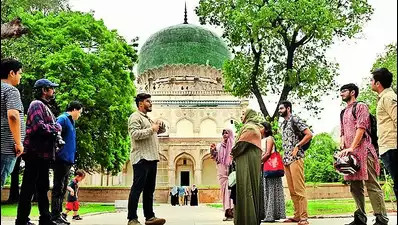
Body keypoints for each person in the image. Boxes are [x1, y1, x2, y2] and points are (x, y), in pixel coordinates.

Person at [339, 83, 388, 225]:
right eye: (340, 91)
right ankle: (360, 217)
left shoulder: (360, 106)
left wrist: (352, 147)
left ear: (352, 92)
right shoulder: (343, 112)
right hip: (351, 155)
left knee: (371, 184)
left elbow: (361, 128)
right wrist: (342, 145)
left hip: (365, 151)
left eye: (344, 91)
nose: (341, 94)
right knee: (354, 186)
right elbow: (342, 132)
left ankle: (381, 218)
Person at [16, 78, 62, 225]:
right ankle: (22, 220)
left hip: (43, 154)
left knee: (42, 187)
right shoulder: (36, 104)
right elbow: (39, 127)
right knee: (28, 188)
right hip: (34, 153)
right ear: (44, 90)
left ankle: (45, 218)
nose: (53, 91)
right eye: (51, 88)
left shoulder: (44, 106)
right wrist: (56, 128)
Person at [127, 93, 166, 225]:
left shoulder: (147, 119)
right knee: (137, 189)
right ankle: (132, 218)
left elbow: (156, 131)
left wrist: (159, 126)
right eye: (148, 101)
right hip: (141, 157)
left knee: (149, 190)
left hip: (152, 158)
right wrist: (152, 129)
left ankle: (149, 217)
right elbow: (134, 134)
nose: (151, 103)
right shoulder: (135, 117)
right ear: (141, 103)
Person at [279, 100, 312, 225]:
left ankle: (304, 217)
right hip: (287, 160)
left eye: (281, 109)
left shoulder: (295, 119)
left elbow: (309, 134)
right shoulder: (284, 124)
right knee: (292, 190)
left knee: (299, 189)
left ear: (288, 108)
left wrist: (298, 145)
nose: (279, 111)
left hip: (296, 158)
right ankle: (297, 215)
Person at [51, 101, 83, 224]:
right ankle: (54, 216)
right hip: (61, 159)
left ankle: (59, 215)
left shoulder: (71, 122)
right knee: (58, 188)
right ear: (74, 109)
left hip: (68, 160)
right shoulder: (63, 119)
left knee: (63, 188)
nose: (79, 115)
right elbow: (54, 133)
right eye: (79, 112)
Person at [231, 108, 264, 225]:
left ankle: (248, 220)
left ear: (249, 115)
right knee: (247, 187)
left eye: (244, 113)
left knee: (247, 187)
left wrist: (232, 153)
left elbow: (241, 144)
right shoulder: (252, 127)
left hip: (246, 161)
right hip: (247, 160)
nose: (241, 115)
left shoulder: (250, 127)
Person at [370, 68, 397, 201]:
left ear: (378, 83)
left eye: (372, 80)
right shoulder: (384, 98)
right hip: (387, 146)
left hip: (393, 147)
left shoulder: (388, 97)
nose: (370, 82)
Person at [1, 59, 24, 189]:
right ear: (11, 73)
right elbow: (13, 115)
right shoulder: (11, 91)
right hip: (6, 146)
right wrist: (18, 142)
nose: (20, 76)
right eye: (19, 73)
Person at [260, 122, 286, 222]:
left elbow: (267, 153)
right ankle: (267, 214)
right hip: (264, 167)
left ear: (266, 129)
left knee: (271, 191)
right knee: (265, 191)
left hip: (270, 167)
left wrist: (259, 162)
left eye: (261, 127)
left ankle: (271, 215)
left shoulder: (269, 138)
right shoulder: (261, 140)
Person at [210, 129, 234, 221]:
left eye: (227, 133)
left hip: (231, 169)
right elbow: (215, 157)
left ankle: (233, 212)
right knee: (224, 191)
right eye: (223, 133)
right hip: (221, 170)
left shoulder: (234, 145)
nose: (225, 135)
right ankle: (227, 212)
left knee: (231, 191)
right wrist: (212, 151)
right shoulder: (219, 146)